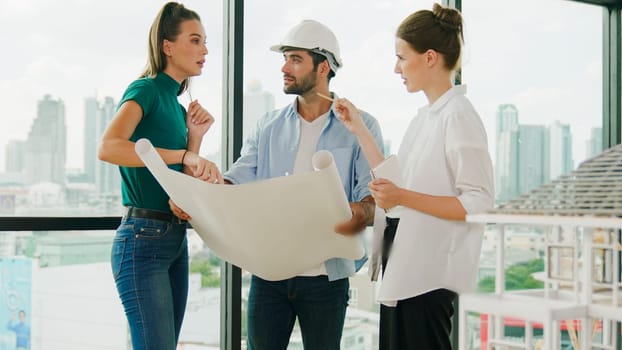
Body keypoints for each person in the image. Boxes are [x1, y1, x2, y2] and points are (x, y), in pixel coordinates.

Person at [171, 19, 382, 350]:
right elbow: (236, 181)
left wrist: (340, 212)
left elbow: (373, 202)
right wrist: (200, 196)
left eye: (295, 59)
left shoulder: (360, 126)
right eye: (285, 58)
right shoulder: (268, 126)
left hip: (326, 280)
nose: (284, 67)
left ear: (323, 66)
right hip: (269, 274)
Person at [335, 4, 494, 349]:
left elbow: (478, 202)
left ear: (430, 57)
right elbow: (396, 184)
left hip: (429, 279)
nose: (396, 68)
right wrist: (359, 129)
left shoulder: (458, 116)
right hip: (406, 273)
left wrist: (403, 197)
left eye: (402, 57)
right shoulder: (427, 118)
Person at [97, 2, 222, 349]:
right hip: (141, 241)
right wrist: (183, 153)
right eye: (195, 40)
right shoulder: (146, 89)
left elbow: (178, 189)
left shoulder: (177, 108)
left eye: (205, 41)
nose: (205, 50)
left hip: (173, 238)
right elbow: (108, 146)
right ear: (168, 46)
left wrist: (194, 138)